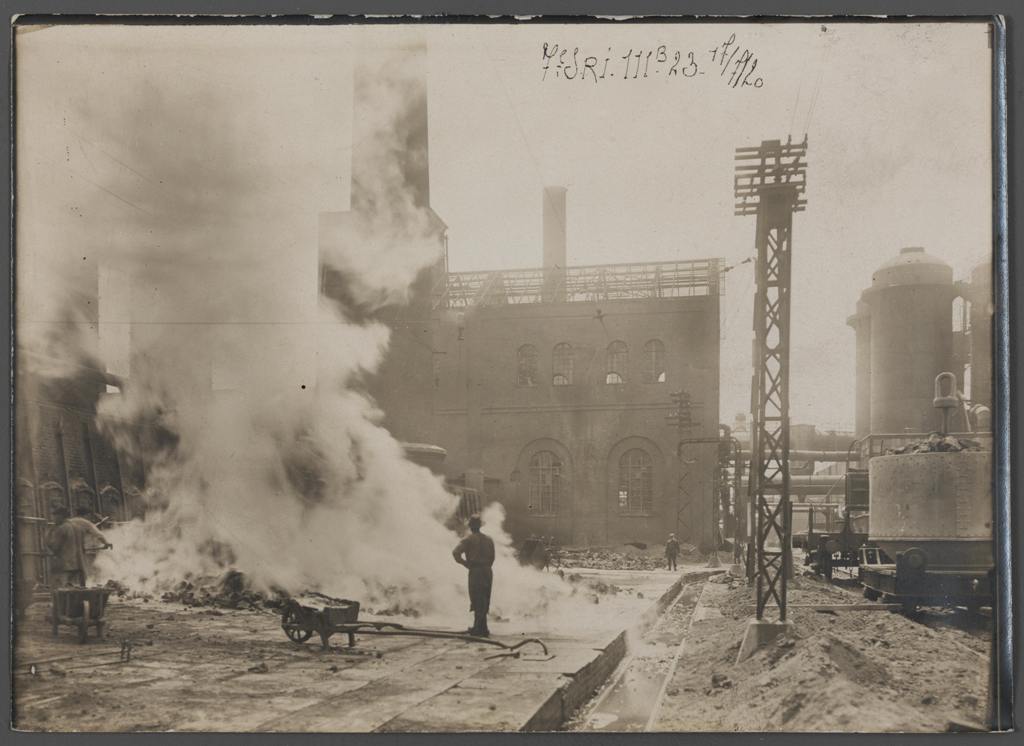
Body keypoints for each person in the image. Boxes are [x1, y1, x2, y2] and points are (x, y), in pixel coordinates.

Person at [451, 514, 495, 637]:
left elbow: (455, 553)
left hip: (476, 571)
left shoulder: (468, 540)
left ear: (470, 527)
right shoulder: (489, 540)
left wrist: (466, 564)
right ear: (480, 526)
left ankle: (479, 628)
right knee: (484, 598)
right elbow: (492, 558)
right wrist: (486, 566)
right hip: (487, 571)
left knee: (477, 598)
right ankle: (481, 627)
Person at [47, 506, 112, 587]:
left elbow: (55, 545)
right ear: (87, 515)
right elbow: (98, 534)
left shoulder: (65, 525)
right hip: (80, 559)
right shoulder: (82, 524)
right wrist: (106, 542)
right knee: (81, 582)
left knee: (63, 585)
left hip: (65, 561)